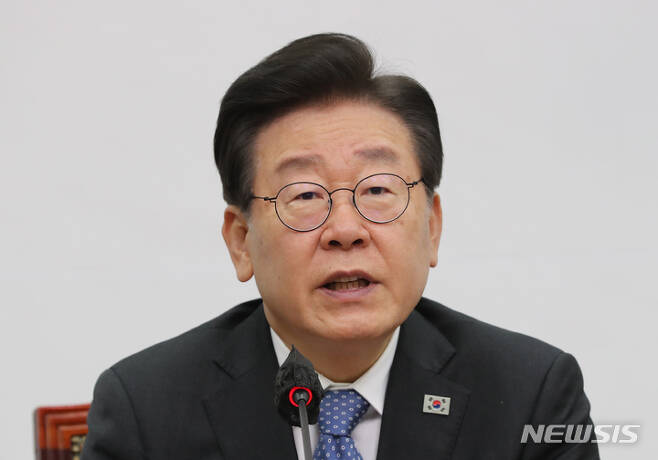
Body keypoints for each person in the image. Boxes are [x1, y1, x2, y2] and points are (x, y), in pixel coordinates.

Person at [82, 33, 599, 460]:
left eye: (377, 190)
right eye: (305, 195)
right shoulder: (146, 412)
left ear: (432, 227)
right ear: (241, 242)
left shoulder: (530, 395)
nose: (346, 229)